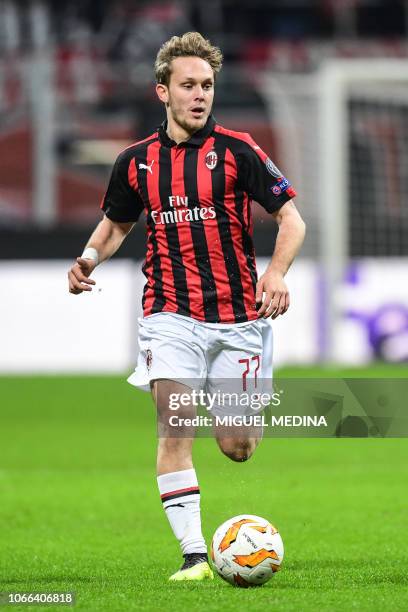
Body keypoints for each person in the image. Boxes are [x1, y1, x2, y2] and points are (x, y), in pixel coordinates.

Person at [68, 32, 305, 582]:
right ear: (163, 92)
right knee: (174, 427)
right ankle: (196, 556)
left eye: (208, 86)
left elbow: (292, 219)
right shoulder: (136, 162)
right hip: (168, 315)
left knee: (237, 446)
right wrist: (88, 257)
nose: (200, 95)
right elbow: (117, 223)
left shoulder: (240, 150)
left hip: (239, 317)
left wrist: (274, 272)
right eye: (189, 86)